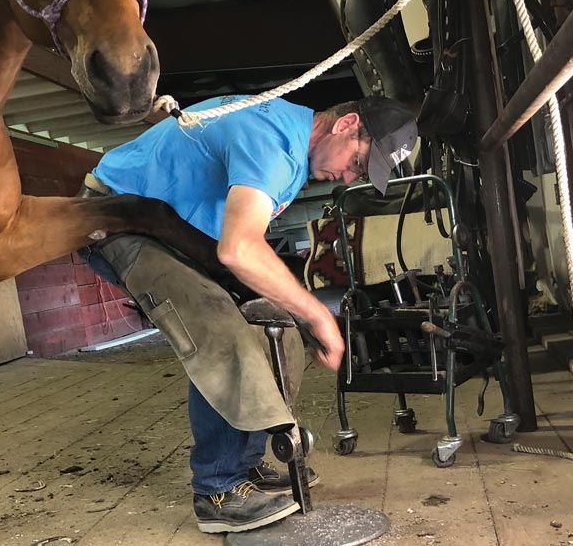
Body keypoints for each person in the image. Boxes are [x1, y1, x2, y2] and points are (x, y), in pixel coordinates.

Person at [77, 94, 417, 533]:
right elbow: (238, 249)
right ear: (346, 124)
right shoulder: (272, 139)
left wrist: (297, 316)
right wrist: (317, 314)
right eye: (357, 162)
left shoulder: (294, 151)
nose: (349, 176)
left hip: (175, 231)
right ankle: (217, 489)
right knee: (219, 326)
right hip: (120, 217)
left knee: (273, 322)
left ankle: (245, 464)